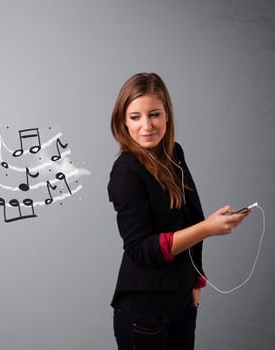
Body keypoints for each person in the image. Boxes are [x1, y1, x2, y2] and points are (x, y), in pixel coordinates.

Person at [107, 72, 251, 350]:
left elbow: (191, 217)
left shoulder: (174, 153)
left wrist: (196, 280)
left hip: (181, 301)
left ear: (167, 115)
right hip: (144, 311)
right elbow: (140, 249)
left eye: (154, 114)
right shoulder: (125, 172)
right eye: (135, 117)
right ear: (123, 121)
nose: (146, 126)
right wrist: (208, 229)